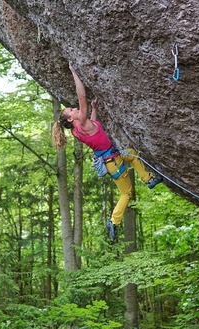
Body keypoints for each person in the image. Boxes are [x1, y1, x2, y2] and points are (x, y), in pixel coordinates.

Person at [52, 63, 163, 241]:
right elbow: (82, 96)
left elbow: (94, 126)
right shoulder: (80, 123)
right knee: (126, 194)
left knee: (133, 154)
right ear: (71, 118)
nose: (75, 108)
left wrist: (94, 110)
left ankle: (148, 179)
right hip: (113, 162)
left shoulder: (78, 130)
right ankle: (114, 221)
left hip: (113, 159)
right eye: (71, 110)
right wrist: (74, 72)